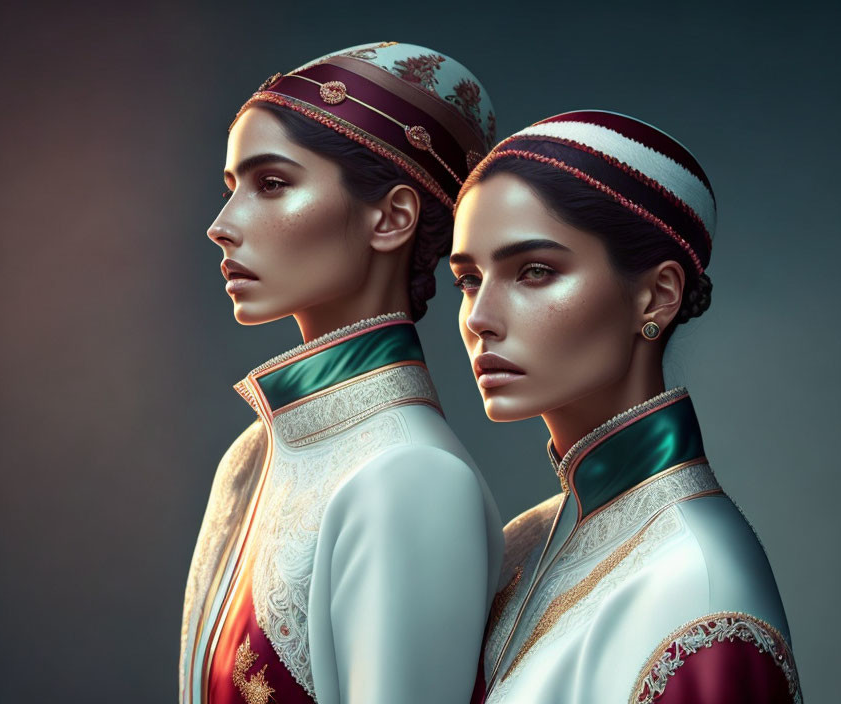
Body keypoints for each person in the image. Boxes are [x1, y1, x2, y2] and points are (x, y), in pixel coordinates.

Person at [179, 42, 503, 704]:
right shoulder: (255, 453)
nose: (221, 225)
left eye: (271, 184)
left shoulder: (413, 478)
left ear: (391, 217)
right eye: (230, 188)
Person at [451, 110, 802, 703]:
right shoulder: (523, 542)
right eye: (469, 279)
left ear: (658, 294)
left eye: (534, 271)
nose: (480, 319)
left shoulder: (697, 580)